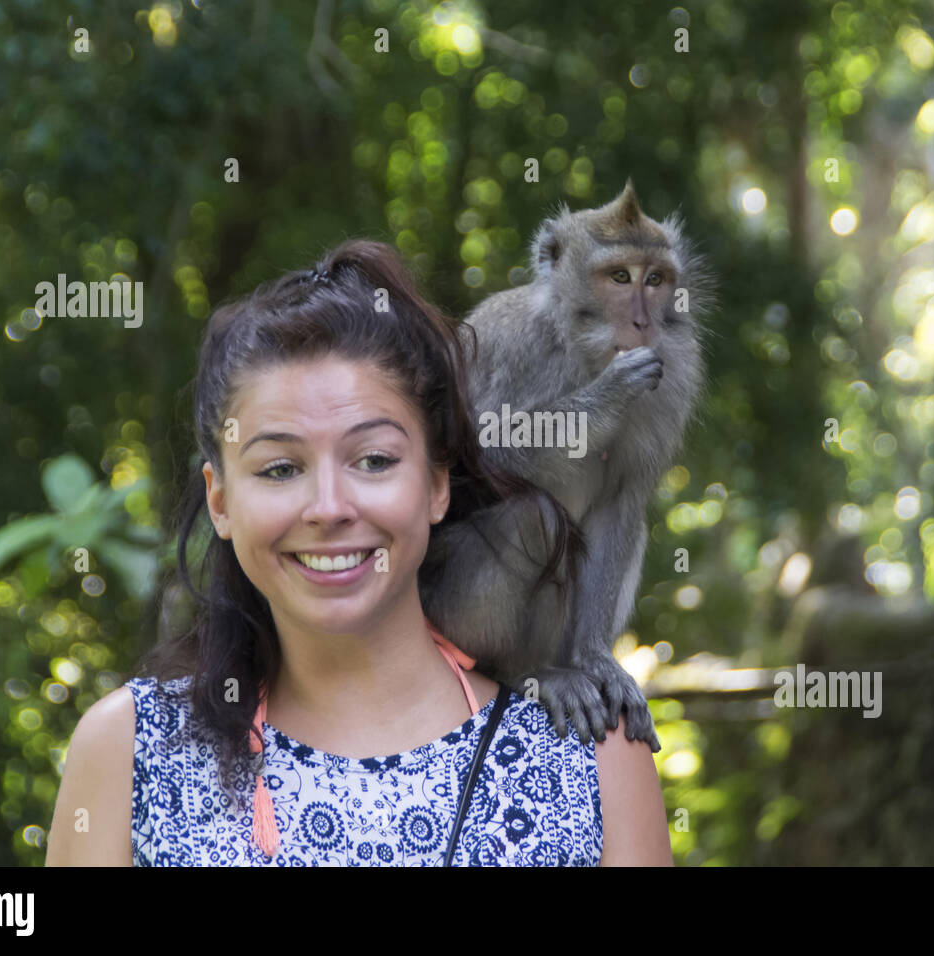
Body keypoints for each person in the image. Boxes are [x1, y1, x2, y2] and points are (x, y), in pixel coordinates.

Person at [45, 239, 672, 866]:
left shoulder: (594, 756)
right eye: (281, 467)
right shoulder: (130, 751)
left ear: (435, 483)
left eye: (374, 461)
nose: (329, 507)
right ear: (221, 501)